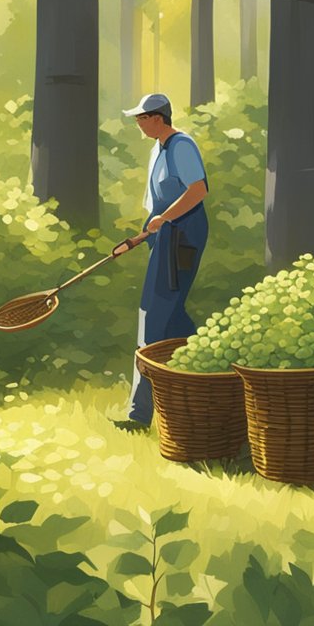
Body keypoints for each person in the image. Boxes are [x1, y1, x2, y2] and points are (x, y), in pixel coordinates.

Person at [112, 93, 210, 428]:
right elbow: (155, 205)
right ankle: (214, 371)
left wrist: (164, 220)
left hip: (183, 237)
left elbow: (198, 190)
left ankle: (140, 415)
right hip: (164, 236)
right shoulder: (158, 149)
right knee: (175, 320)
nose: (138, 124)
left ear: (158, 118)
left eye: (142, 118)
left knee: (153, 317)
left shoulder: (181, 145)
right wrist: (148, 230)